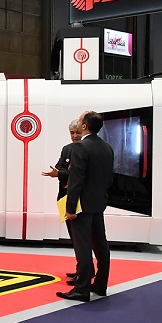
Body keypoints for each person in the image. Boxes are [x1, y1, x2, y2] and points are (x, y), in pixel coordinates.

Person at [57, 111, 114, 303]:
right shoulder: (107, 147)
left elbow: (76, 180)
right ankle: (100, 284)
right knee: (101, 245)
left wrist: (70, 208)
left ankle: (81, 289)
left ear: (84, 126)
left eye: (80, 121)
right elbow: (109, 179)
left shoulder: (81, 147)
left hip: (82, 206)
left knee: (83, 246)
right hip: (99, 203)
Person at [42, 119, 86, 283]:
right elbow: (59, 166)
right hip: (65, 198)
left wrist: (60, 174)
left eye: (77, 133)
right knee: (74, 237)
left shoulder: (86, 150)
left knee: (81, 238)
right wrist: (60, 172)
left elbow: (78, 175)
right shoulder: (66, 149)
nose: (75, 136)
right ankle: (80, 269)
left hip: (81, 200)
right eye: (72, 133)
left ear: (84, 131)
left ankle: (84, 272)